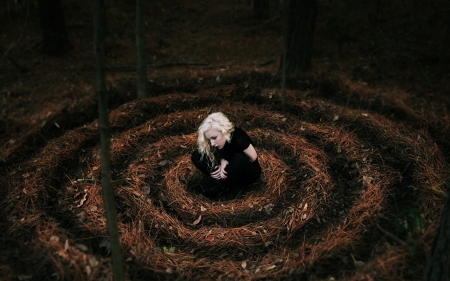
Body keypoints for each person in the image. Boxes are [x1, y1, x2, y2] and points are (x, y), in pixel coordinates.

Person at [190, 112, 261, 199]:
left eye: (214, 137)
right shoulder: (220, 140)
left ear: (225, 131)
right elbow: (222, 153)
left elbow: (252, 158)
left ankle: (218, 189)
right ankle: (219, 178)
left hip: (247, 171)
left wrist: (230, 164)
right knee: (197, 155)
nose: (212, 143)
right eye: (209, 139)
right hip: (229, 163)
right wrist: (222, 161)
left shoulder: (239, 139)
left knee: (239, 159)